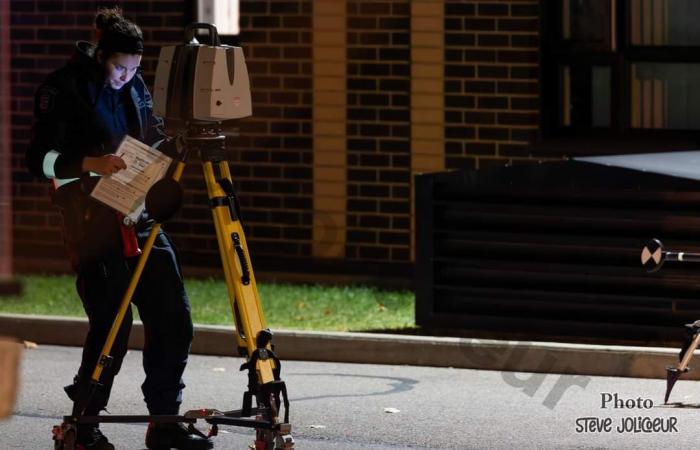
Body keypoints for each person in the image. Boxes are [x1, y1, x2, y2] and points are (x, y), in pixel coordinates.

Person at [25, 8, 213, 450]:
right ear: (100, 55)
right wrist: (88, 163)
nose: (126, 76)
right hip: (90, 222)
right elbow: (39, 160)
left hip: (140, 216)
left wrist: (173, 145)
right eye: (119, 67)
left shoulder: (137, 87)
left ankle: (165, 421)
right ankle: (84, 425)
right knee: (113, 325)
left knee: (174, 318)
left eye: (134, 69)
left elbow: (151, 135)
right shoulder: (64, 88)